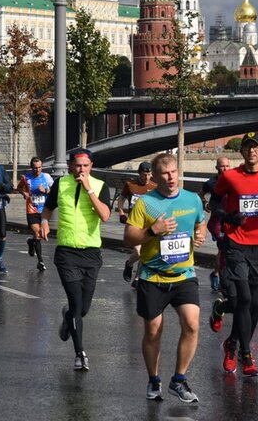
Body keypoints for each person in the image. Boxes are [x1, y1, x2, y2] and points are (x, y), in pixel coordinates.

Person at [124, 153, 206, 403]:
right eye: (165, 174)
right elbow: (129, 238)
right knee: (153, 331)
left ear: (178, 172)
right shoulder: (146, 203)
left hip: (184, 273)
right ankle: (154, 379)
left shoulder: (193, 199)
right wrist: (153, 230)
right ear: (156, 176)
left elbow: (200, 222)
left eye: (173, 172)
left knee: (192, 324)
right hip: (153, 275)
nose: (171, 178)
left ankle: (179, 380)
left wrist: (199, 234)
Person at [208, 132, 258, 377]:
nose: (252, 151)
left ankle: (231, 343)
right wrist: (228, 216)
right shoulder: (230, 177)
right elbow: (215, 202)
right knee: (243, 298)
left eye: (256, 147)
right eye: (247, 147)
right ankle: (245, 353)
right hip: (236, 245)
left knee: (253, 304)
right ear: (241, 152)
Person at [40, 148, 111, 371]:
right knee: (76, 302)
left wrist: (89, 190)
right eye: (77, 165)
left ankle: (68, 317)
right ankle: (80, 354)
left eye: (85, 166)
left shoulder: (100, 186)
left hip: (91, 253)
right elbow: (48, 208)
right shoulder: (61, 184)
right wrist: (43, 221)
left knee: (83, 309)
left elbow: (105, 216)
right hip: (66, 253)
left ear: (91, 167)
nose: (81, 169)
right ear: (70, 166)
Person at [119, 161, 157, 286]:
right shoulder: (130, 185)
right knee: (139, 252)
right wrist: (121, 212)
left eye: (149, 174)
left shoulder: (154, 186)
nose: (147, 177)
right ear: (139, 173)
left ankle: (137, 278)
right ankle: (129, 264)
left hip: (148, 223)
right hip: (134, 223)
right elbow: (121, 198)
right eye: (144, 175)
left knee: (145, 252)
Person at [198, 156, 231, 292]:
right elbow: (200, 194)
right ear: (216, 167)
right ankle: (224, 282)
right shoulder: (211, 182)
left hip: (229, 221)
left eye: (227, 166)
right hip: (216, 223)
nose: (225, 169)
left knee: (223, 249)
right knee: (224, 248)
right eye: (222, 166)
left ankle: (216, 274)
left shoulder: (233, 180)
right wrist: (205, 203)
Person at [18, 157, 54, 271]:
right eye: (35, 168)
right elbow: (19, 188)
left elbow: (54, 190)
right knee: (37, 233)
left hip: (44, 210)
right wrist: (24, 193)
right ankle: (40, 261)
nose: (37, 170)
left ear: (42, 167)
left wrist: (46, 190)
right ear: (31, 167)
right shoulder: (26, 178)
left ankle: (31, 241)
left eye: (39, 167)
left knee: (41, 236)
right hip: (31, 209)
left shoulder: (47, 177)